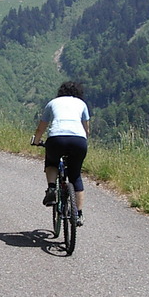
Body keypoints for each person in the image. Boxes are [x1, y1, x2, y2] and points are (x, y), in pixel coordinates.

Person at [31, 81, 90, 226]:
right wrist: (82, 142)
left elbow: (41, 128)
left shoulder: (52, 103)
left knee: (52, 163)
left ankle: (52, 188)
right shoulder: (81, 104)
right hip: (79, 140)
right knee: (75, 176)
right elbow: (87, 130)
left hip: (56, 138)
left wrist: (36, 141)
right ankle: (78, 214)